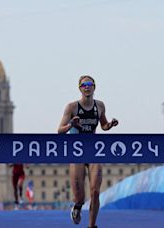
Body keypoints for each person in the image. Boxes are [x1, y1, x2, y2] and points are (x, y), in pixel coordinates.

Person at [58, 75, 118, 228]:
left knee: (95, 191)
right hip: (77, 151)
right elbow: (59, 131)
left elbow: (103, 125)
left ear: (94, 87)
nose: (87, 87)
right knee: (80, 197)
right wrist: (72, 123)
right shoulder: (72, 107)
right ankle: (77, 206)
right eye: (84, 84)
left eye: (90, 84)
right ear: (80, 88)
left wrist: (109, 125)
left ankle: (92, 225)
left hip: (93, 151)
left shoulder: (100, 106)